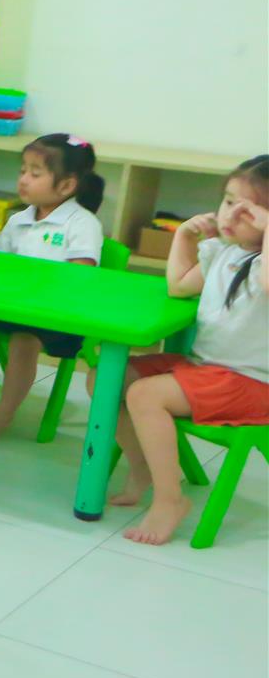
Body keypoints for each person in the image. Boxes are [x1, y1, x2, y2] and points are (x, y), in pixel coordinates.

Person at [112, 156, 269, 544]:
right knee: (108, 378)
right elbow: (180, 285)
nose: (231, 215)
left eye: (248, 210)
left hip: (250, 383)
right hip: (206, 368)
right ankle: (145, 468)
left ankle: (170, 499)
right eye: (228, 202)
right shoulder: (225, 251)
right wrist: (183, 237)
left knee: (145, 395)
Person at [0, 134, 106, 440]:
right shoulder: (18, 220)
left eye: (35, 174)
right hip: (12, 307)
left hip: (57, 316)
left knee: (24, 341)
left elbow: (80, 277)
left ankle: (3, 416)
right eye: (23, 170)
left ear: (66, 185)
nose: (23, 179)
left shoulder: (82, 223)